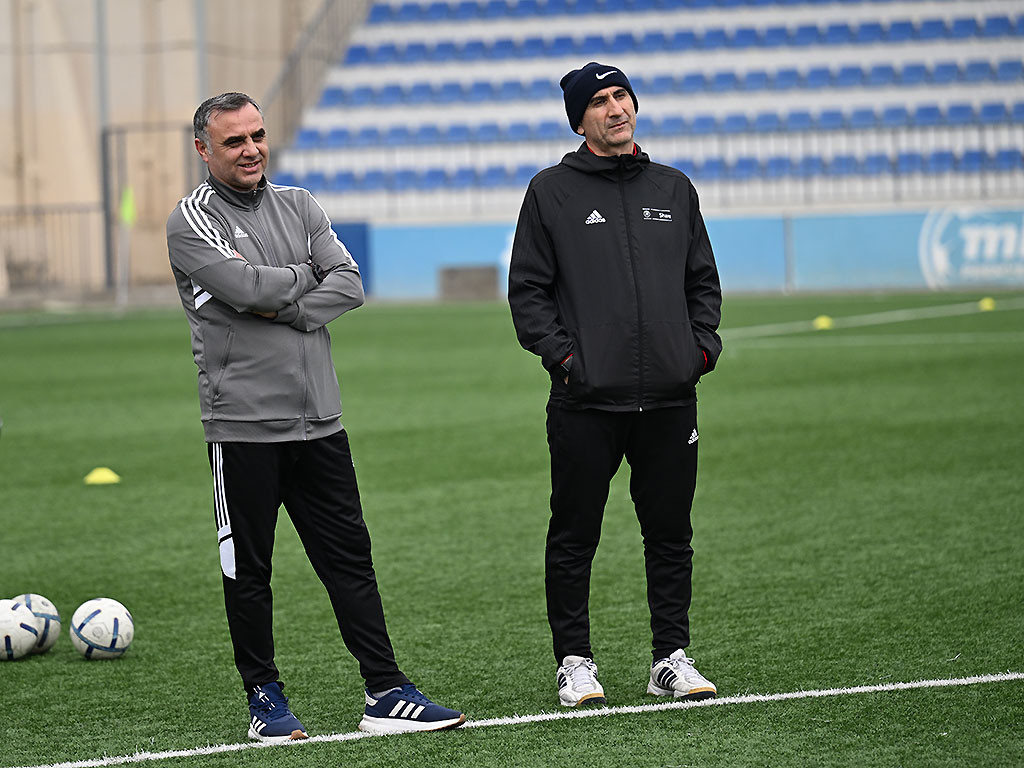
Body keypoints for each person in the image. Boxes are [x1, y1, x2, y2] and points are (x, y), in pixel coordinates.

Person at [166, 92, 465, 742]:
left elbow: (348, 282)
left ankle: (386, 691)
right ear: (203, 150)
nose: (251, 149)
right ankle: (264, 699)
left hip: (321, 422)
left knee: (351, 562)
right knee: (249, 572)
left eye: (257, 135)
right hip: (243, 427)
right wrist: (306, 274)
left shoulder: (300, 204)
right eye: (234, 141)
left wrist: (289, 302)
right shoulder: (191, 220)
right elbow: (244, 288)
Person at [508, 63, 723, 708]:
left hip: (670, 396)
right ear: (580, 120)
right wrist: (567, 360)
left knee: (671, 534)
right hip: (586, 399)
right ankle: (575, 663)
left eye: (621, 95)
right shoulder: (550, 193)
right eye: (599, 101)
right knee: (575, 536)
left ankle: (671, 658)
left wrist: (699, 351)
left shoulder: (674, 188)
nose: (615, 108)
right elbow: (528, 292)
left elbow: (702, 281)